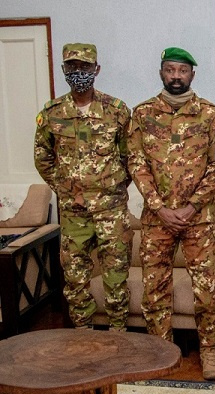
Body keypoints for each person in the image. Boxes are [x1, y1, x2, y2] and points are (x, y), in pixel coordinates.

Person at [127, 47, 215, 380]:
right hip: (157, 221)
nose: (176, 76)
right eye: (170, 70)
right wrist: (159, 207)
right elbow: (136, 163)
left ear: (192, 75)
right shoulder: (142, 113)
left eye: (182, 71)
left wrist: (190, 205)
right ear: (161, 73)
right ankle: (161, 352)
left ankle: (210, 352)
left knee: (207, 290)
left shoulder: (209, 114)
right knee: (155, 289)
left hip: (198, 219)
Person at [34, 43, 132, 331]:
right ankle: (83, 337)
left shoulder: (116, 110)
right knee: (75, 280)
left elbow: (130, 156)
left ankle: (118, 336)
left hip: (110, 212)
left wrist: (111, 188)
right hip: (73, 213)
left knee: (116, 277)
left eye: (85, 67)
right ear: (64, 70)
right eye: (72, 67)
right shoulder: (52, 113)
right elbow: (42, 156)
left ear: (97, 70)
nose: (79, 73)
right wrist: (65, 188)